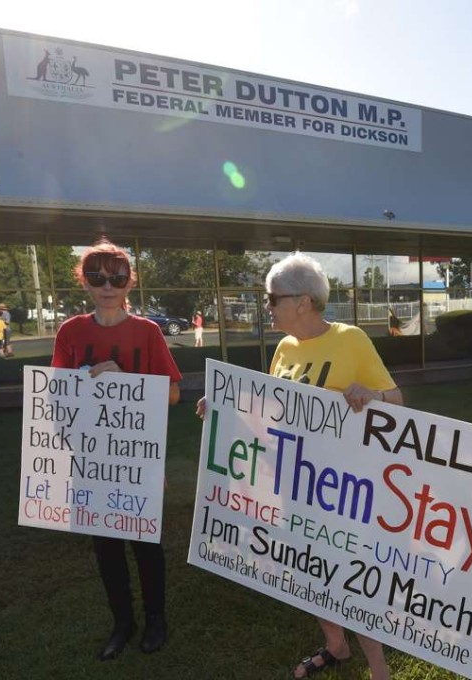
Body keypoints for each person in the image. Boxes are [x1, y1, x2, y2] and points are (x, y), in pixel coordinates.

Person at [197, 252, 402, 680]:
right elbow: (270, 406)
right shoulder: (285, 348)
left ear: (303, 302)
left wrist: (374, 396)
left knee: (348, 578)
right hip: (291, 482)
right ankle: (336, 646)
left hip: (340, 488)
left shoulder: (351, 340)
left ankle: (380, 671)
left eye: (273, 298)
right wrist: (224, 404)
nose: (267, 306)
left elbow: (398, 402)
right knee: (305, 570)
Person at [50, 238, 182, 661]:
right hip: (90, 459)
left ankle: (155, 619)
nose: (107, 285)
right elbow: (56, 392)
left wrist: (125, 381)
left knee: (145, 544)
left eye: (117, 276)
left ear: (129, 283)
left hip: (137, 455)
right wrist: (87, 376)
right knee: (106, 547)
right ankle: (121, 623)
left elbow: (174, 393)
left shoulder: (147, 332)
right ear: (84, 282)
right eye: (97, 276)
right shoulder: (70, 331)